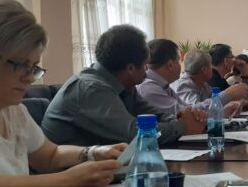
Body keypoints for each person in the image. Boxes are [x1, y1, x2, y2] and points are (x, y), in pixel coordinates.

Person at [0, 0, 123, 187]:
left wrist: (93, 152)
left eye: (33, 67)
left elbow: (50, 155)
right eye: (20, 64)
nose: (29, 78)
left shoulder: (14, 111)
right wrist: (63, 183)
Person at [42, 25, 207, 146]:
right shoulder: (91, 89)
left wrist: (182, 118)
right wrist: (182, 126)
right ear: (130, 69)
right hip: (68, 175)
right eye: (145, 66)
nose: (147, 72)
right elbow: (134, 134)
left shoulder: (125, 85)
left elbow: (154, 115)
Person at [170, 49, 245, 114]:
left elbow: (210, 107)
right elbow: (195, 111)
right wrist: (228, 94)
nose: (212, 69)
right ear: (204, 70)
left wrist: (228, 107)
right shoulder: (183, 85)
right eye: (210, 65)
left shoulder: (204, 84)